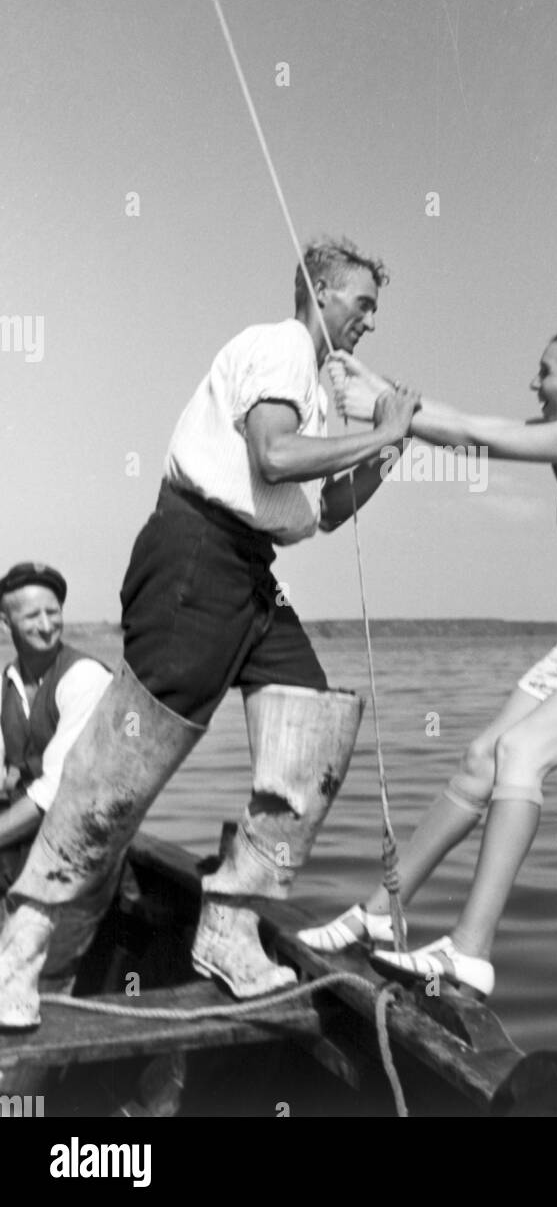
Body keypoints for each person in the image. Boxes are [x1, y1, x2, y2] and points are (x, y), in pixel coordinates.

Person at [0, 237, 419, 1030]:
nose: (370, 320)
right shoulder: (280, 346)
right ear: (320, 291)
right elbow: (273, 456)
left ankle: (227, 926)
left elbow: (317, 509)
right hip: (194, 554)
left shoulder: (313, 387)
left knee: (312, 732)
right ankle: (21, 947)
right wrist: (380, 427)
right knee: (123, 765)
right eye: (362, 303)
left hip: (250, 568)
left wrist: (386, 448)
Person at [300, 315, 557, 998]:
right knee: (479, 758)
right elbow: (463, 422)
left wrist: (381, 407)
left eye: (545, 371)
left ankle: (470, 951)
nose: (533, 381)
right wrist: (375, 385)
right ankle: (378, 913)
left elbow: (471, 434)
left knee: (522, 755)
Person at [0, 564, 111, 894]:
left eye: (53, 612)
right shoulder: (7, 682)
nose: (47, 626)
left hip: (79, 856)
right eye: (33, 616)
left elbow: (56, 791)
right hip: (24, 841)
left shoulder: (85, 678)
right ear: (6, 625)